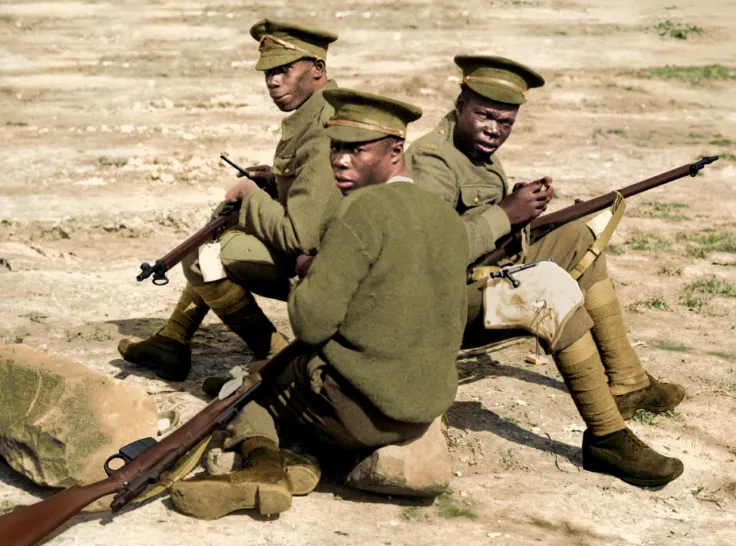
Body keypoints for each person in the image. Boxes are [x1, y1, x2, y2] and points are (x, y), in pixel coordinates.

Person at [168, 89, 469, 518]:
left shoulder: (358, 209)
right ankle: (301, 461)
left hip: (360, 413)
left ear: (396, 151)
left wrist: (305, 273)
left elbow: (309, 323)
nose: (340, 160)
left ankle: (262, 467)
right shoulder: (446, 218)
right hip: (423, 407)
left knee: (249, 388)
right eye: (335, 147)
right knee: (283, 374)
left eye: (357, 150)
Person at [407, 55, 686, 487]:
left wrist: (521, 211)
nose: (493, 129)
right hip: (439, 306)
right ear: (460, 104)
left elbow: (482, 232)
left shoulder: (475, 153)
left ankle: (628, 380)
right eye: (483, 114)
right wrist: (505, 213)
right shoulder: (432, 160)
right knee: (546, 290)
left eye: (505, 121)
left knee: (579, 238)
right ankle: (606, 437)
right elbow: (429, 255)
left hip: (478, 278)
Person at [118, 19, 342, 381]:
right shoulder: (317, 111)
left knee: (203, 256)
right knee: (225, 218)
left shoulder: (321, 128)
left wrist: (252, 196)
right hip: (321, 249)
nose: (273, 81)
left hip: (329, 269)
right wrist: (271, 179)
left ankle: (275, 356)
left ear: (317, 69)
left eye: (284, 70)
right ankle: (174, 337)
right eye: (268, 72)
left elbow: (301, 235)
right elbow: (316, 188)